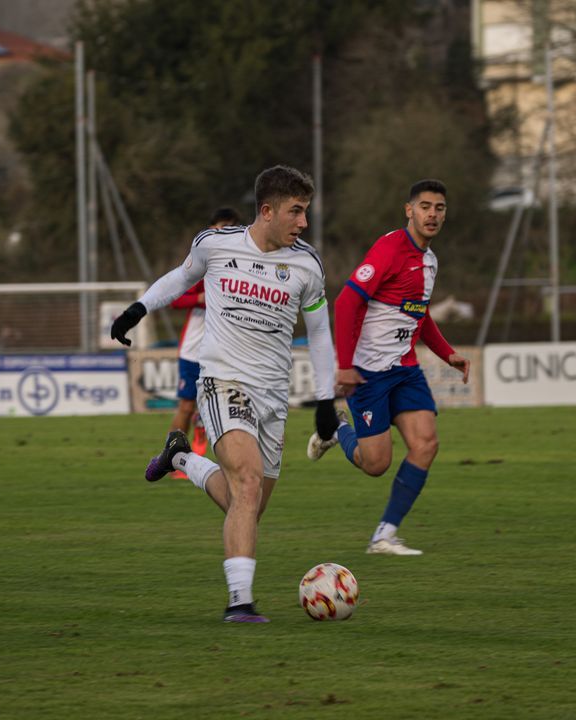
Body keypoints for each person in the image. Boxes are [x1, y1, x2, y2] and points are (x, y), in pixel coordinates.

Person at [109, 166, 338, 623]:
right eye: (296, 212)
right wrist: (138, 308)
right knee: (248, 484)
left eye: (306, 213)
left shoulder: (307, 266)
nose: (304, 223)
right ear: (267, 211)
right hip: (221, 380)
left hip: (273, 395)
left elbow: (319, 335)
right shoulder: (215, 245)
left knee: (247, 504)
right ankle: (240, 603)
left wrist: (326, 401)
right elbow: (179, 278)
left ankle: (181, 459)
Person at [305, 179, 469, 557]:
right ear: (408, 210)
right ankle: (338, 432)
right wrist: (345, 367)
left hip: (405, 370)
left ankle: (384, 535)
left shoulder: (429, 260)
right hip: (368, 373)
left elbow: (419, 315)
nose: (432, 214)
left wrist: (448, 354)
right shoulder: (389, 248)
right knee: (376, 463)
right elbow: (346, 302)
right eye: (424, 206)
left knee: (426, 444)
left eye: (439, 208)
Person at [165, 207, 244, 476]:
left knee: (227, 405)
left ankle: (221, 459)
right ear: (210, 230)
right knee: (186, 406)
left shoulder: (240, 267)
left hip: (223, 350)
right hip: (193, 350)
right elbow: (174, 298)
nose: (224, 234)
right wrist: (199, 299)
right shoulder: (200, 265)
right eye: (220, 228)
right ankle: (172, 453)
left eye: (230, 229)